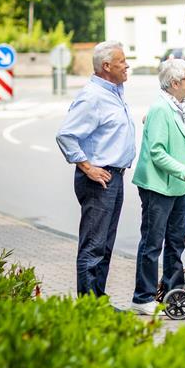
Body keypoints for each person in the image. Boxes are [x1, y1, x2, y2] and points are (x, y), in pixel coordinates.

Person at [56, 41, 136, 298]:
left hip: (114, 177)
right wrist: (88, 167)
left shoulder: (114, 92)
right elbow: (66, 135)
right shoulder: (92, 96)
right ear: (107, 66)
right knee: (93, 246)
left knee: (105, 245)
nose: (127, 66)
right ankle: (88, 305)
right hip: (99, 180)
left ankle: (98, 302)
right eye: (122, 62)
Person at [130, 59, 185, 315]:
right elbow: (157, 153)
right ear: (174, 83)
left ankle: (175, 297)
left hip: (178, 186)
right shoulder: (161, 109)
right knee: (152, 243)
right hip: (158, 187)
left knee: (175, 244)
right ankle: (143, 298)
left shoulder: (181, 106)